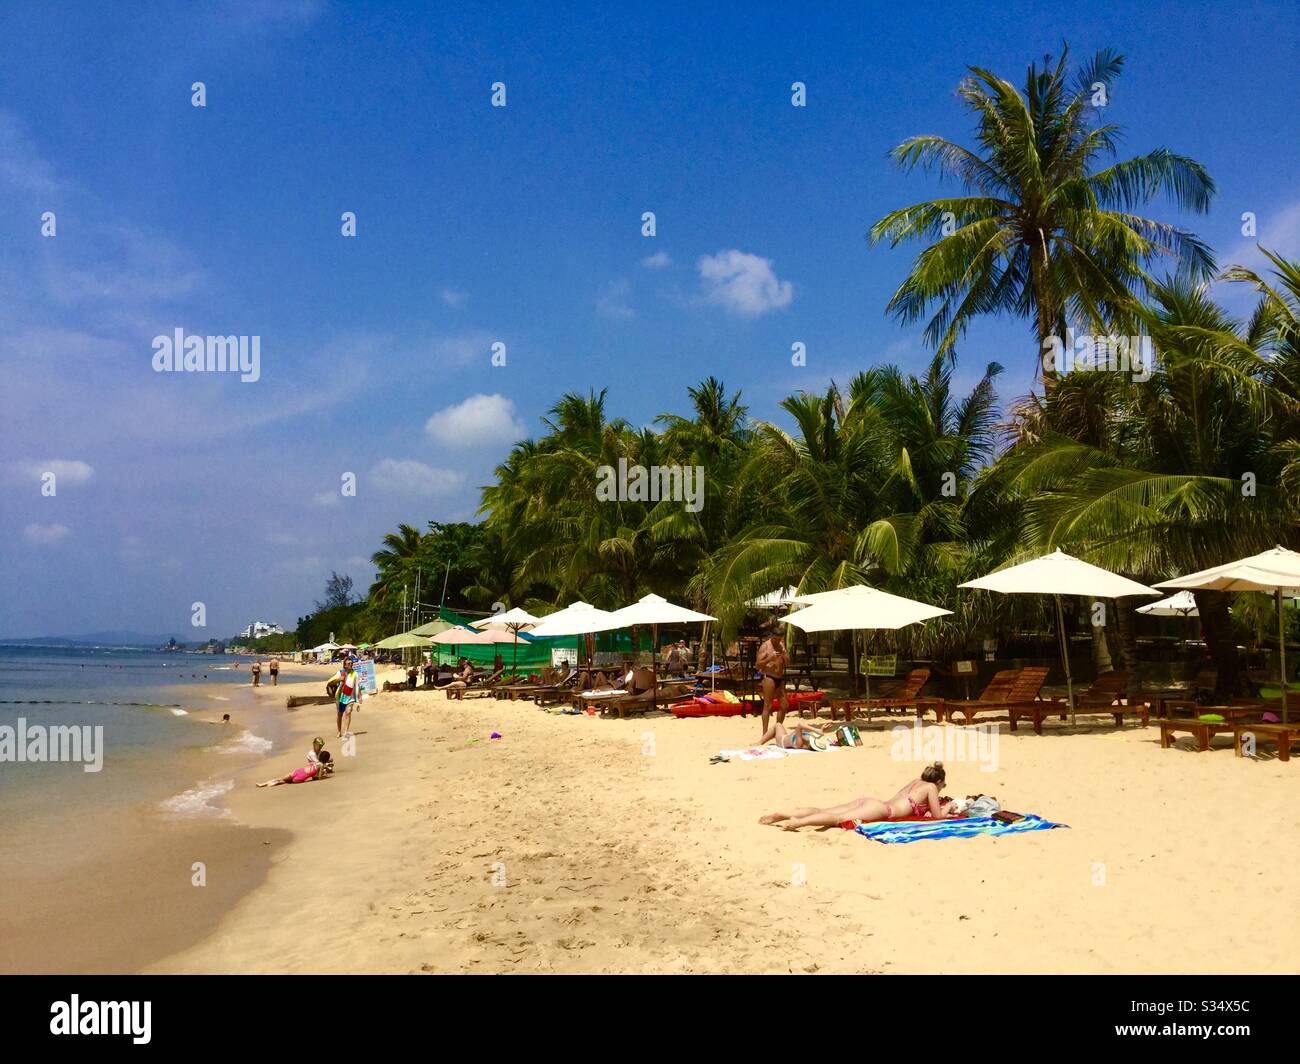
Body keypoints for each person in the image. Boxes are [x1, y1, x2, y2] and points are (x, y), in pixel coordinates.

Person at [759, 762, 958, 831]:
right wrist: (951, 806)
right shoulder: (932, 787)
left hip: (872, 802)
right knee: (837, 820)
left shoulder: (916, 781)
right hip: (883, 810)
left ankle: (785, 813)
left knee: (825, 810)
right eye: (943, 785)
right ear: (939, 781)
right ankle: (798, 823)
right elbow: (938, 817)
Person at [755, 631, 788, 731]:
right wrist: (770, 658)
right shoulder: (765, 646)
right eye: (776, 639)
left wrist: (784, 656)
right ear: (772, 636)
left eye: (779, 639)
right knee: (768, 706)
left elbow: (788, 662)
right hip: (769, 677)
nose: (778, 641)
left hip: (779, 677)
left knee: (784, 705)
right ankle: (765, 733)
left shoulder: (781, 645)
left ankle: (777, 729)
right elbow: (758, 665)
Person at [257, 750, 332, 787]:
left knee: (280, 779)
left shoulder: (315, 762)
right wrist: (325, 776)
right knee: (283, 782)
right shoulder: (321, 765)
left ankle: (263, 784)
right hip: (302, 777)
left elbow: (311, 769)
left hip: (299, 771)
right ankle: (268, 785)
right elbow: (318, 778)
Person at [334, 658, 362, 738]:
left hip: (350, 697)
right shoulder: (340, 672)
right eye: (348, 663)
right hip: (341, 697)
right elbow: (333, 681)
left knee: (348, 712)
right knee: (340, 714)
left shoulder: (355, 674)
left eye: (351, 663)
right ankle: (339, 731)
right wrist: (340, 679)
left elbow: (357, 685)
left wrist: (359, 696)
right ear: (345, 665)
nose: (350, 664)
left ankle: (346, 731)